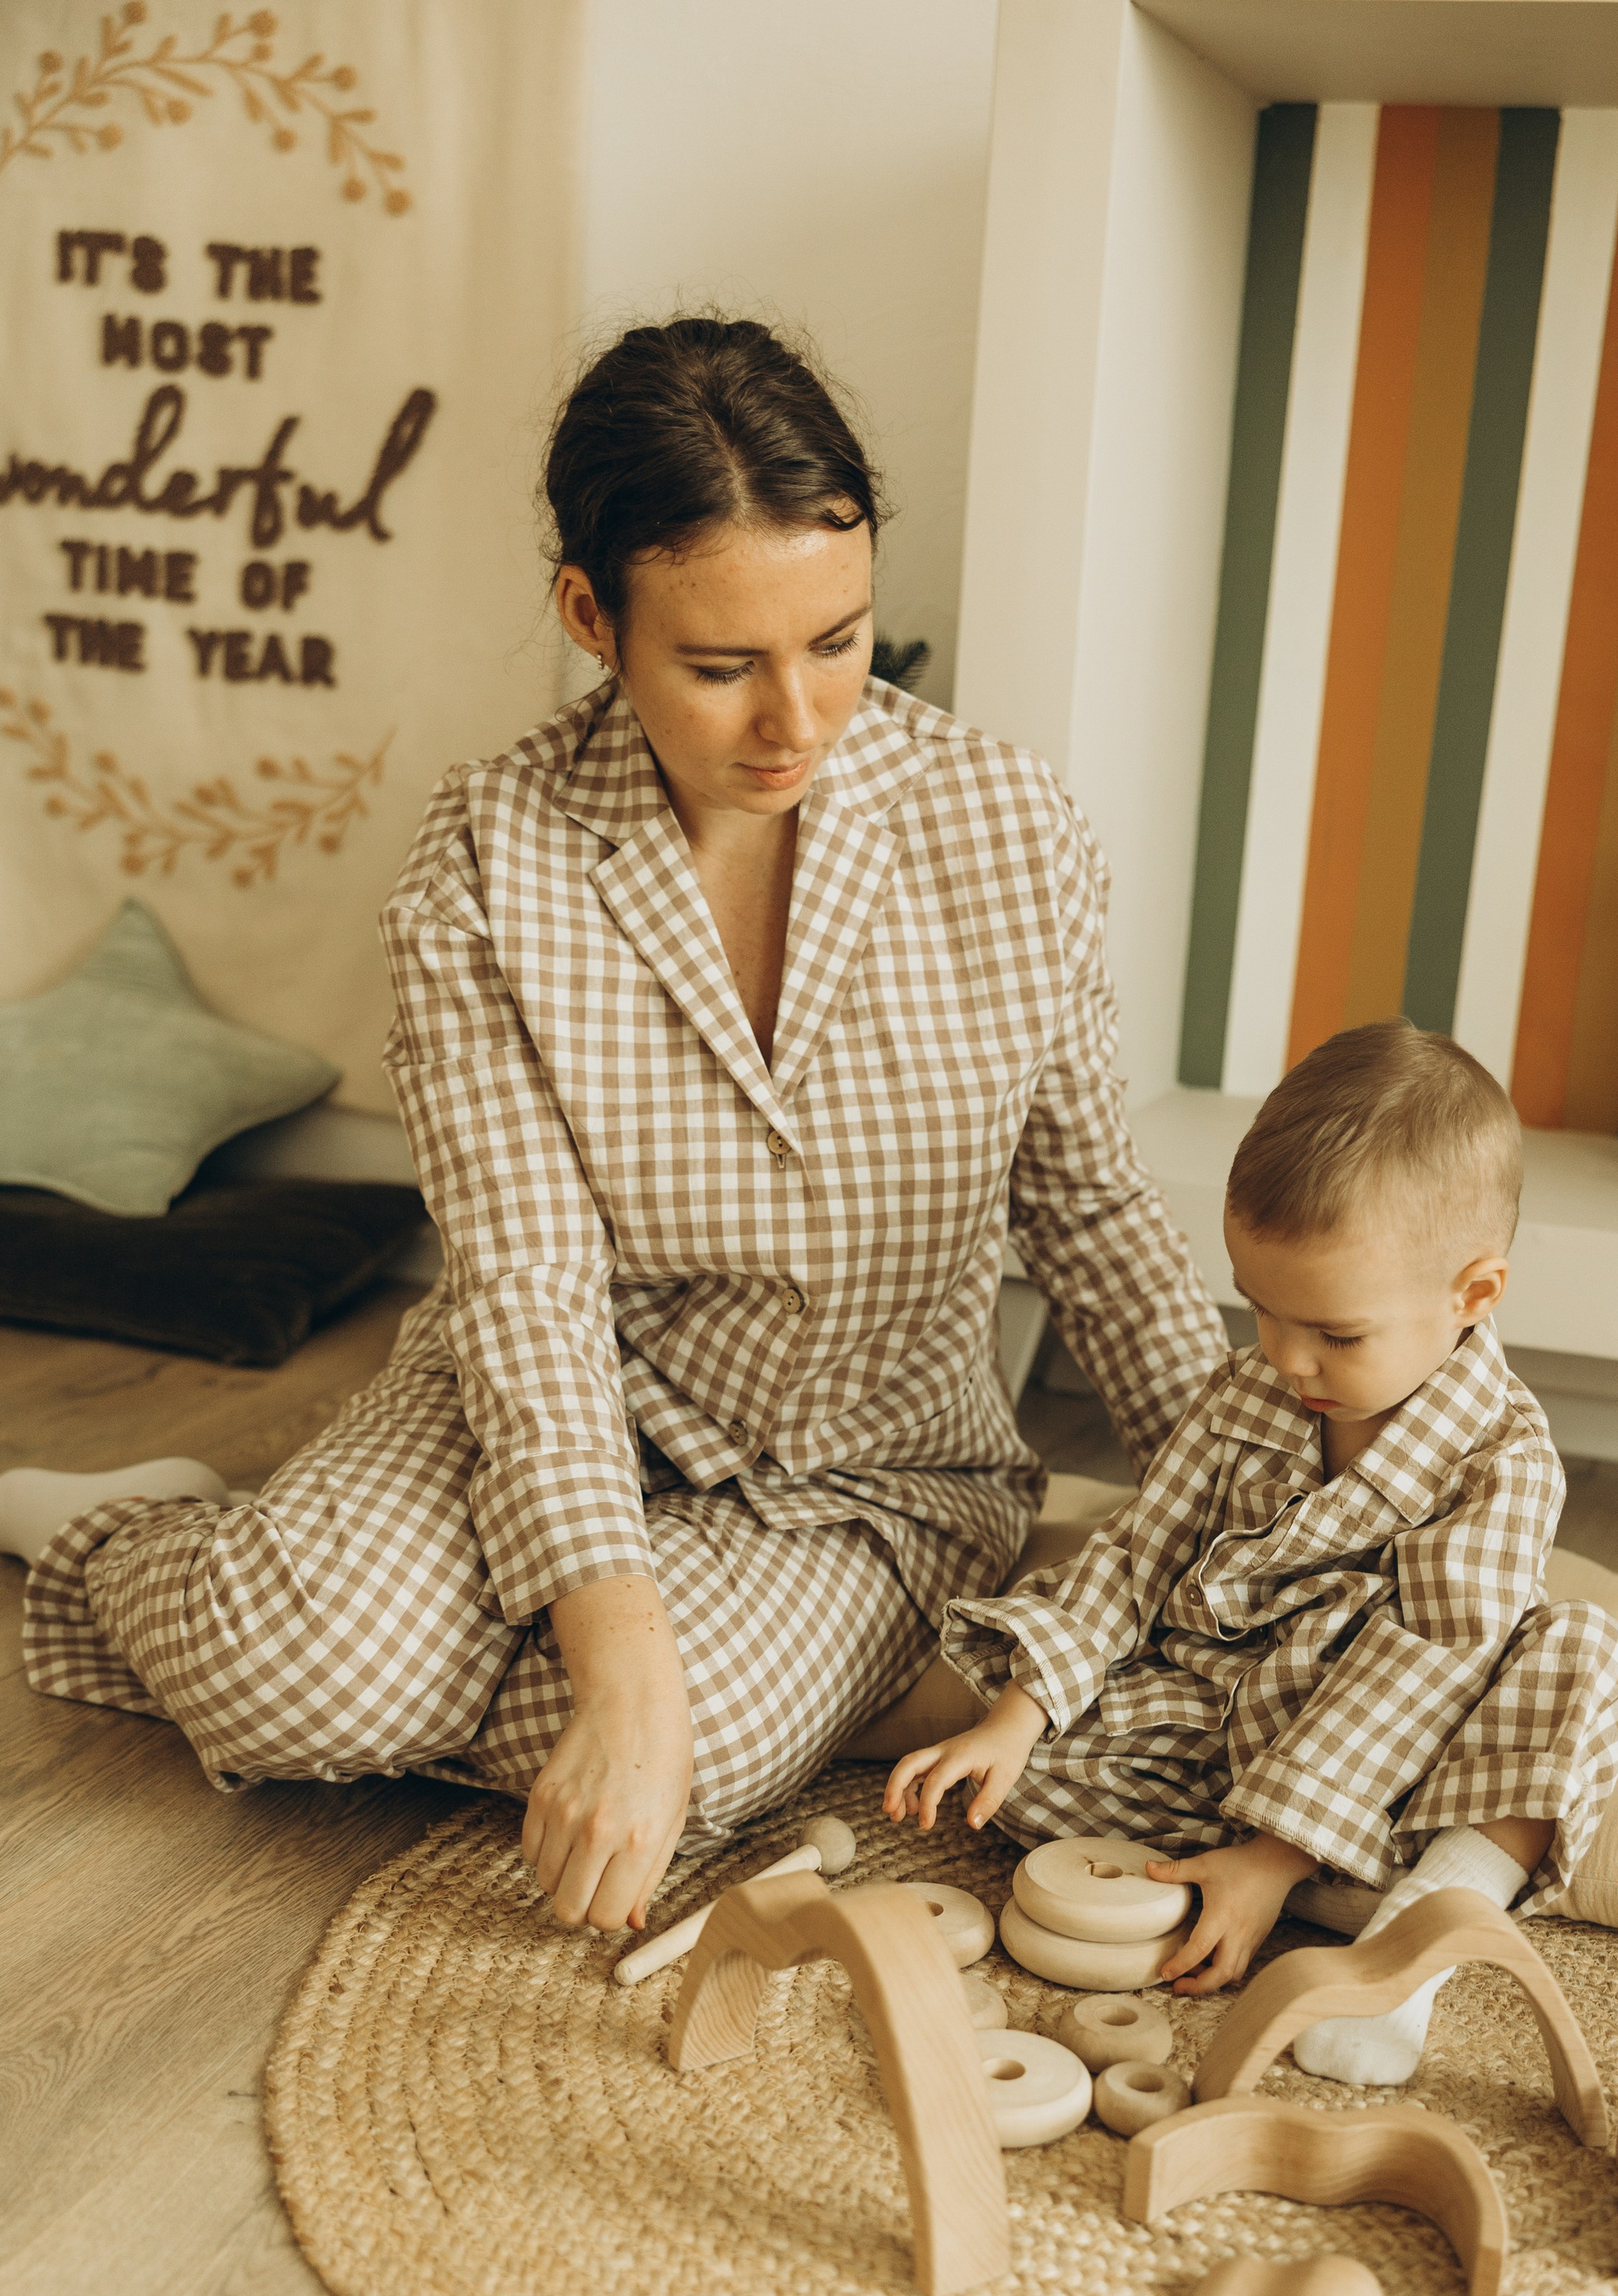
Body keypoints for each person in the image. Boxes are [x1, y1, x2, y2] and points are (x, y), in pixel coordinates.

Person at [4, 317, 1225, 1934]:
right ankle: (116, 1532)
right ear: (593, 617)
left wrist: (1257, 1531)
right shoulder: (485, 865)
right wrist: (614, 1651)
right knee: (284, 1663)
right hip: (548, 1396)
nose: (795, 718)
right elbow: (520, 1289)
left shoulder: (1009, 829)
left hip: (862, 1479)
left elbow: (1093, 1219)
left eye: (840, 641)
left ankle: (449, 1630)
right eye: (720, 667)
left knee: (677, 1737)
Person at [885, 1019, 1618, 2085]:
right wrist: (1021, 1714)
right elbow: (1136, 1558)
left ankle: (1411, 1933)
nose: (1286, 1359)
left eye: (1337, 1335)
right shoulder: (1247, 1394)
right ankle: (1268, 1881)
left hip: (1391, 1763)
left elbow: (1429, 1660)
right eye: (1258, 1309)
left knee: (1586, 1657)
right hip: (1209, 1734)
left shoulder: (1504, 1463)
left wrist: (1278, 1846)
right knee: (1018, 1780)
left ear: (1472, 1295)